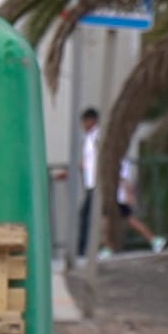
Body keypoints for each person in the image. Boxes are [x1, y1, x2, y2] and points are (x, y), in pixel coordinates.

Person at [116, 155, 167, 255]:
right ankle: (154, 240)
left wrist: (128, 195)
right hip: (117, 195)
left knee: (129, 220)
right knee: (124, 220)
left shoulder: (120, 160)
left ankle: (154, 240)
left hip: (119, 196)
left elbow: (124, 179)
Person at [77, 108, 99, 260]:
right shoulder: (90, 138)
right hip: (91, 182)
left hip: (96, 183)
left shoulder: (96, 137)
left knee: (86, 214)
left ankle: (84, 248)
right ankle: (85, 247)